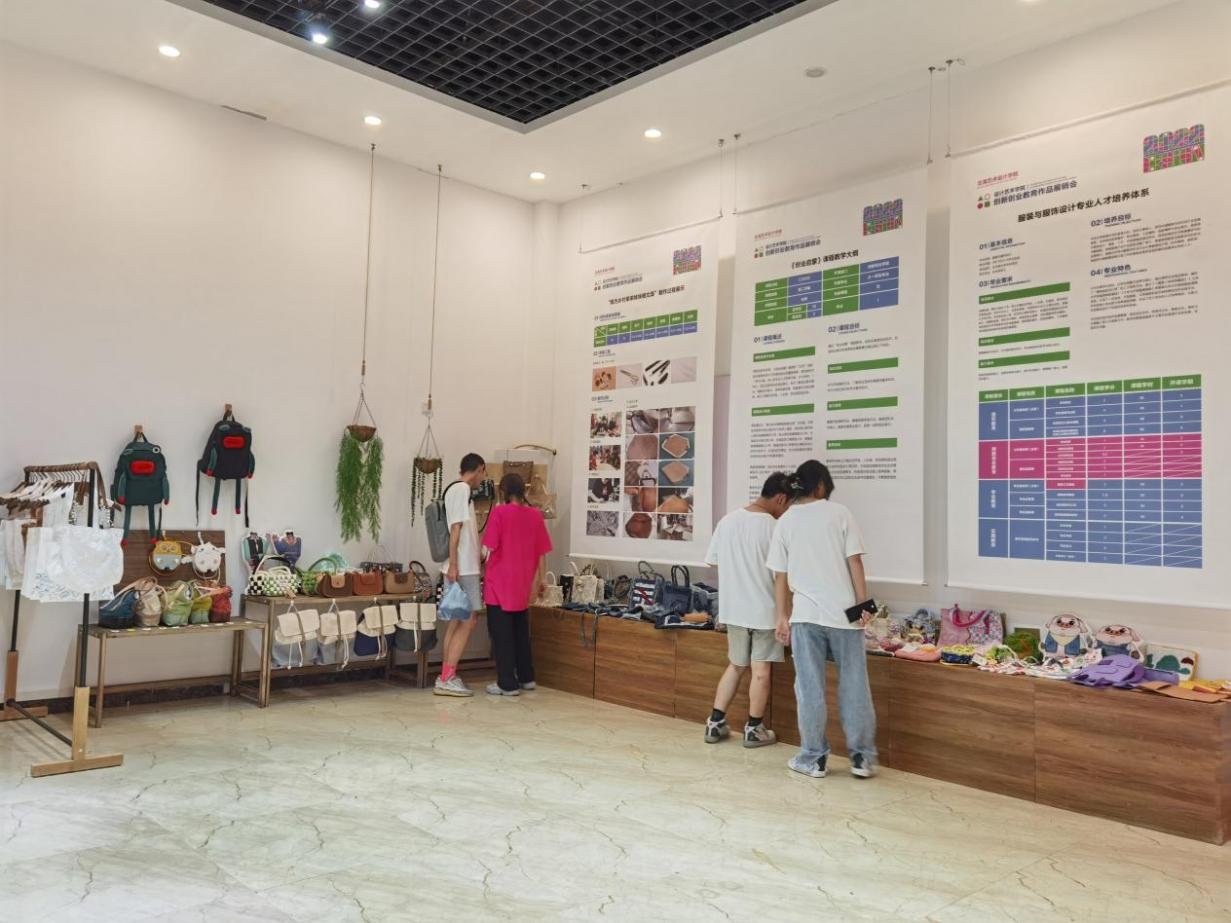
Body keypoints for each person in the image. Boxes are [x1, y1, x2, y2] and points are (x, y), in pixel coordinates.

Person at [767, 460, 876, 779]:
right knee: (854, 685)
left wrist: (782, 617)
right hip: (844, 616)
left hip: (805, 617)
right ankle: (862, 758)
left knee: (809, 688)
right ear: (821, 486)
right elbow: (855, 562)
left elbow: (780, 576)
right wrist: (863, 604)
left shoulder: (786, 521)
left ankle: (813, 757)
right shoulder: (840, 513)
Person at [702, 472, 793, 747]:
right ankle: (754, 729)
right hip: (765, 611)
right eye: (788, 505)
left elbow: (714, 561)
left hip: (734, 610)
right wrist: (785, 615)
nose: (786, 511)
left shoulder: (728, 521)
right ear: (780, 498)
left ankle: (715, 723)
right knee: (761, 670)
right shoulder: (776, 528)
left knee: (736, 666)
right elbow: (783, 576)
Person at [481, 473, 552, 697]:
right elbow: (542, 552)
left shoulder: (499, 512)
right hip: (523, 584)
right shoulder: (535, 515)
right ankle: (526, 677)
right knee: (521, 632)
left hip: (499, 583)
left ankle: (507, 683)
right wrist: (541, 580)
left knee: (502, 635)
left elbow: (488, 547)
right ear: (524, 491)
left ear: (502, 492)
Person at [435, 452, 487, 697]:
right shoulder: (462, 489)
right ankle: (448, 677)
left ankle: (446, 675)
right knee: (469, 621)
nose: (483, 479)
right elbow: (455, 529)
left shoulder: (455, 490)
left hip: (461, 565)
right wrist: (455, 565)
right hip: (463, 568)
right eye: (483, 473)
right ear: (479, 469)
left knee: (456, 621)